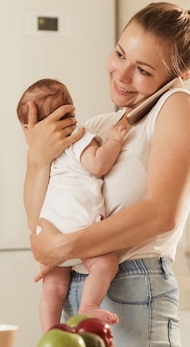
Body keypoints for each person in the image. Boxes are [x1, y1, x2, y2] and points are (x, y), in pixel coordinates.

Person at [23, 2, 190, 347]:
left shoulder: (178, 107)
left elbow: (161, 213)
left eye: (142, 69)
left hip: (134, 285)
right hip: (77, 284)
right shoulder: (98, 127)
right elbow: (42, 220)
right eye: (120, 54)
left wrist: (65, 247)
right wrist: (36, 159)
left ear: (178, 76)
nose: (121, 75)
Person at [16, 78, 129, 331]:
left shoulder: (45, 156)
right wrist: (113, 141)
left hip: (50, 234)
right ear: (72, 113)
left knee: (53, 288)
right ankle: (88, 306)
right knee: (105, 264)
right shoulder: (80, 138)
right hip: (81, 231)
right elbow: (99, 164)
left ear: (28, 127)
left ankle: (49, 331)